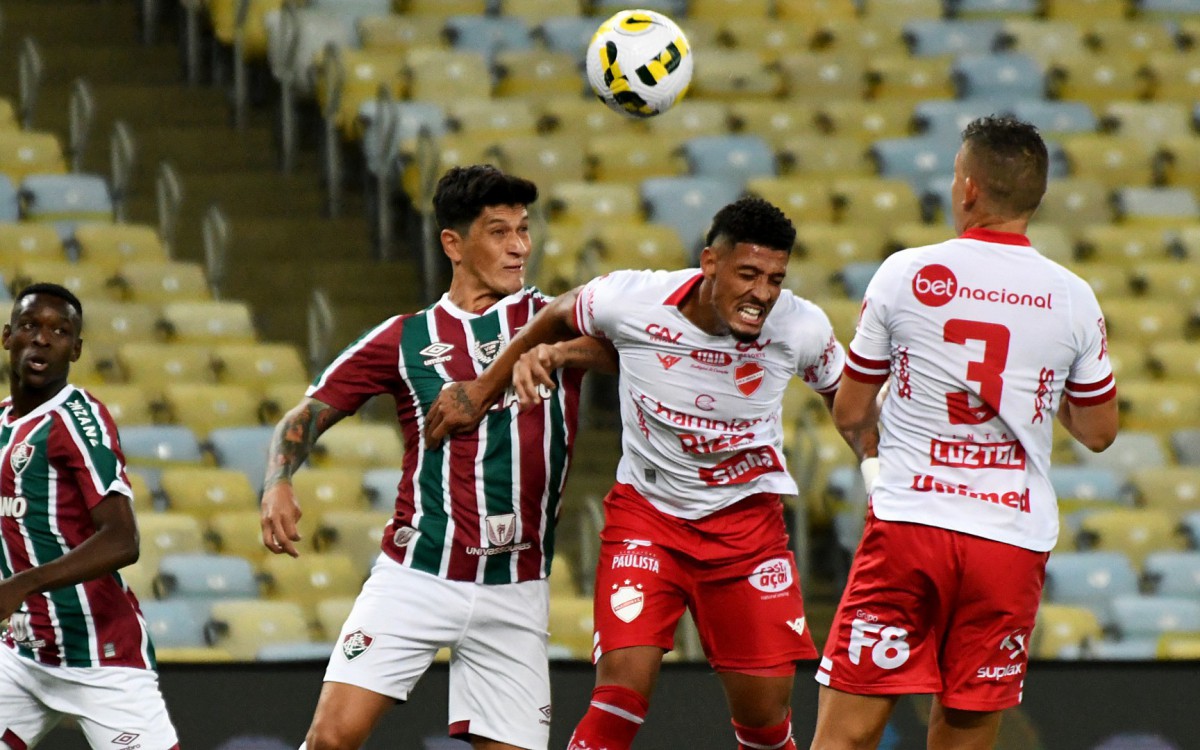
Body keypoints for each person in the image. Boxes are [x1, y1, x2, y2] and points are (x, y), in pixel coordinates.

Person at [425, 196, 847, 750]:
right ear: (710, 263)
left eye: (774, 278)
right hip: (649, 520)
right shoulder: (634, 297)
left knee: (766, 726)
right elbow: (556, 315)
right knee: (619, 697)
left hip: (748, 531)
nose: (762, 294)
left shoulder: (800, 326)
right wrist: (485, 388)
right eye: (748, 274)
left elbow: (850, 401)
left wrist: (883, 465)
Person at [260, 164, 617, 750]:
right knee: (330, 739)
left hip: (517, 586)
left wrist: (557, 352)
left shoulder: (555, 316)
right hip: (416, 575)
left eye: (524, 230)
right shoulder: (404, 337)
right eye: (500, 232)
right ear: (453, 243)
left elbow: (636, 349)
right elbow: (306, 414)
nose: (519, 246)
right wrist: (277, 480)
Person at [810, 116, 1119, 750]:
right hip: (1009, 541)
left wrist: (877, 430)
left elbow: (849, 412)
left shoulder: (906, 272)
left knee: (847, 734)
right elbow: (1098, 431)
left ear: (970, 188)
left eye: (955, 175)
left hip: (912, 527)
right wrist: (1036, 380)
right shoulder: (1073, 297)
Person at [0, 283, 179, 750]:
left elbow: (123, 539)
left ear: (75, 350)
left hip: (102, 655)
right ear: (7, 337)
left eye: (59, 331)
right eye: (29, 326)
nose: (42, 339)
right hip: (22, 654)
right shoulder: (1, 425)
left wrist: (22, 584)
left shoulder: (78, 420)